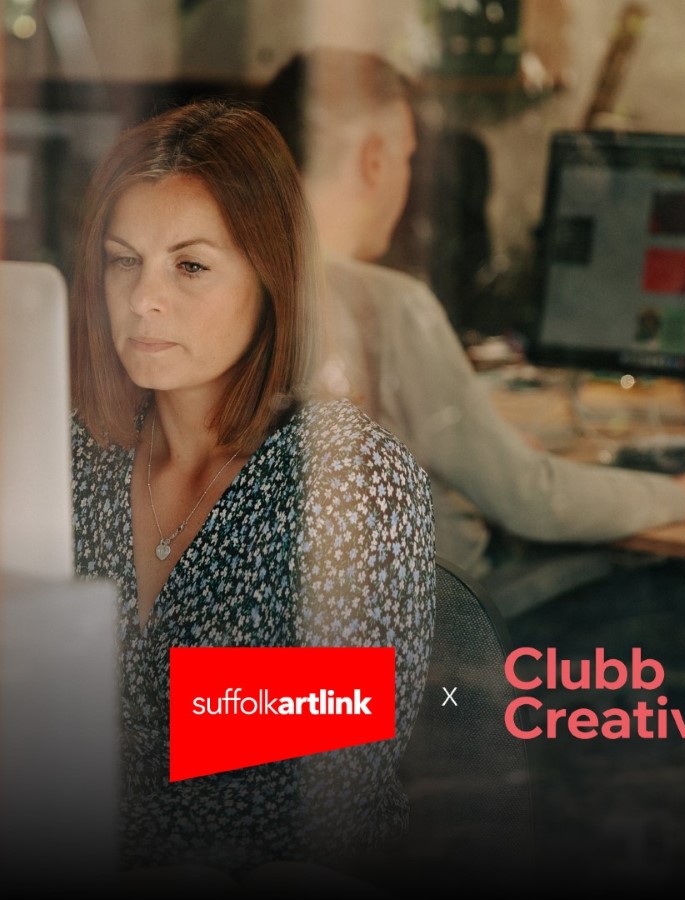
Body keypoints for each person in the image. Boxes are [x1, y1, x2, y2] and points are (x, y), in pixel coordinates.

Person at [260, 47, 685, 615]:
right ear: (374, 159)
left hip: (281, 646)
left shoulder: (238, 282)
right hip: (426, 642)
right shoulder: (388, 304)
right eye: (409, 158)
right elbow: (531, 498)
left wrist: (489, 448)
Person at [68, 98, 436, 887]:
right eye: (123, 259)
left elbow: (320, 761)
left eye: (190, 265)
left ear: (271, 277)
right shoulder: (81, 452)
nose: (142, 300)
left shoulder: (353, 484)